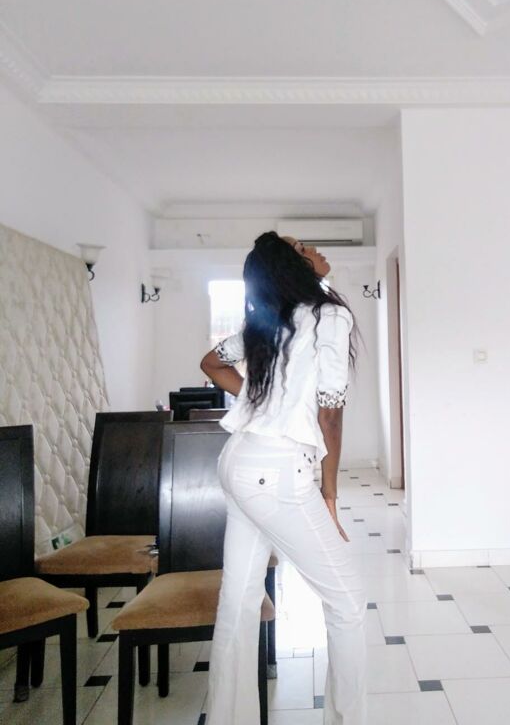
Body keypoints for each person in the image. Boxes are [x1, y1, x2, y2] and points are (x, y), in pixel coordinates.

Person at [200, 231, 367, 725]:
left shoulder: (265, 320)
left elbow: (211, 364)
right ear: (293, 268)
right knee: (349, 602)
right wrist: (330, 493)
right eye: (303, 249)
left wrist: (259, 401)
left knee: (239, 599)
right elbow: (330, 415)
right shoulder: (329, 316)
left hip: (237, 462)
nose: (315, 250)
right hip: (275, 473)